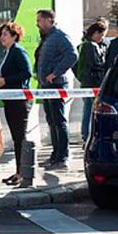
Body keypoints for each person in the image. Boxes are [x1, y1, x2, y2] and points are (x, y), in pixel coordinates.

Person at [35, 9, 78, 170]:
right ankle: (55, 155)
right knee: (52, 121)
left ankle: (63, 156)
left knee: (59, 121)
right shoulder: (47, 38)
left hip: (56, 86)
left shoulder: (59, 36)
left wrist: (55, 73)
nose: (37, 23)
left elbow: (72, 55)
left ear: (49, 21)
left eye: (39, 20)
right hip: (46, 87)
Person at [0, 22, 32, 186]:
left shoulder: (18, 51)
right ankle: (18, 171)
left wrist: (6, 80)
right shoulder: (7, 52)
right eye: (1, 34)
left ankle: (22, 172)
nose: (2, 37)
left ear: (14, 36)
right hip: (10, 100)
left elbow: (27, 72)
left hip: (19, 100)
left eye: (5, 34)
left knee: (19, 137)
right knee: (17, 137)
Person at [74, 22, 108, 142]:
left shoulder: (83, 45)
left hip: (87, 82)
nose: (102, 37)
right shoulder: (91, 46)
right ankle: (87, 135)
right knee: (90, 110)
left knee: (88, 109)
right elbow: (96, 64)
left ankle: (86, 135)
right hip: (93, 82)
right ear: (95, 33)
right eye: (102, 34)